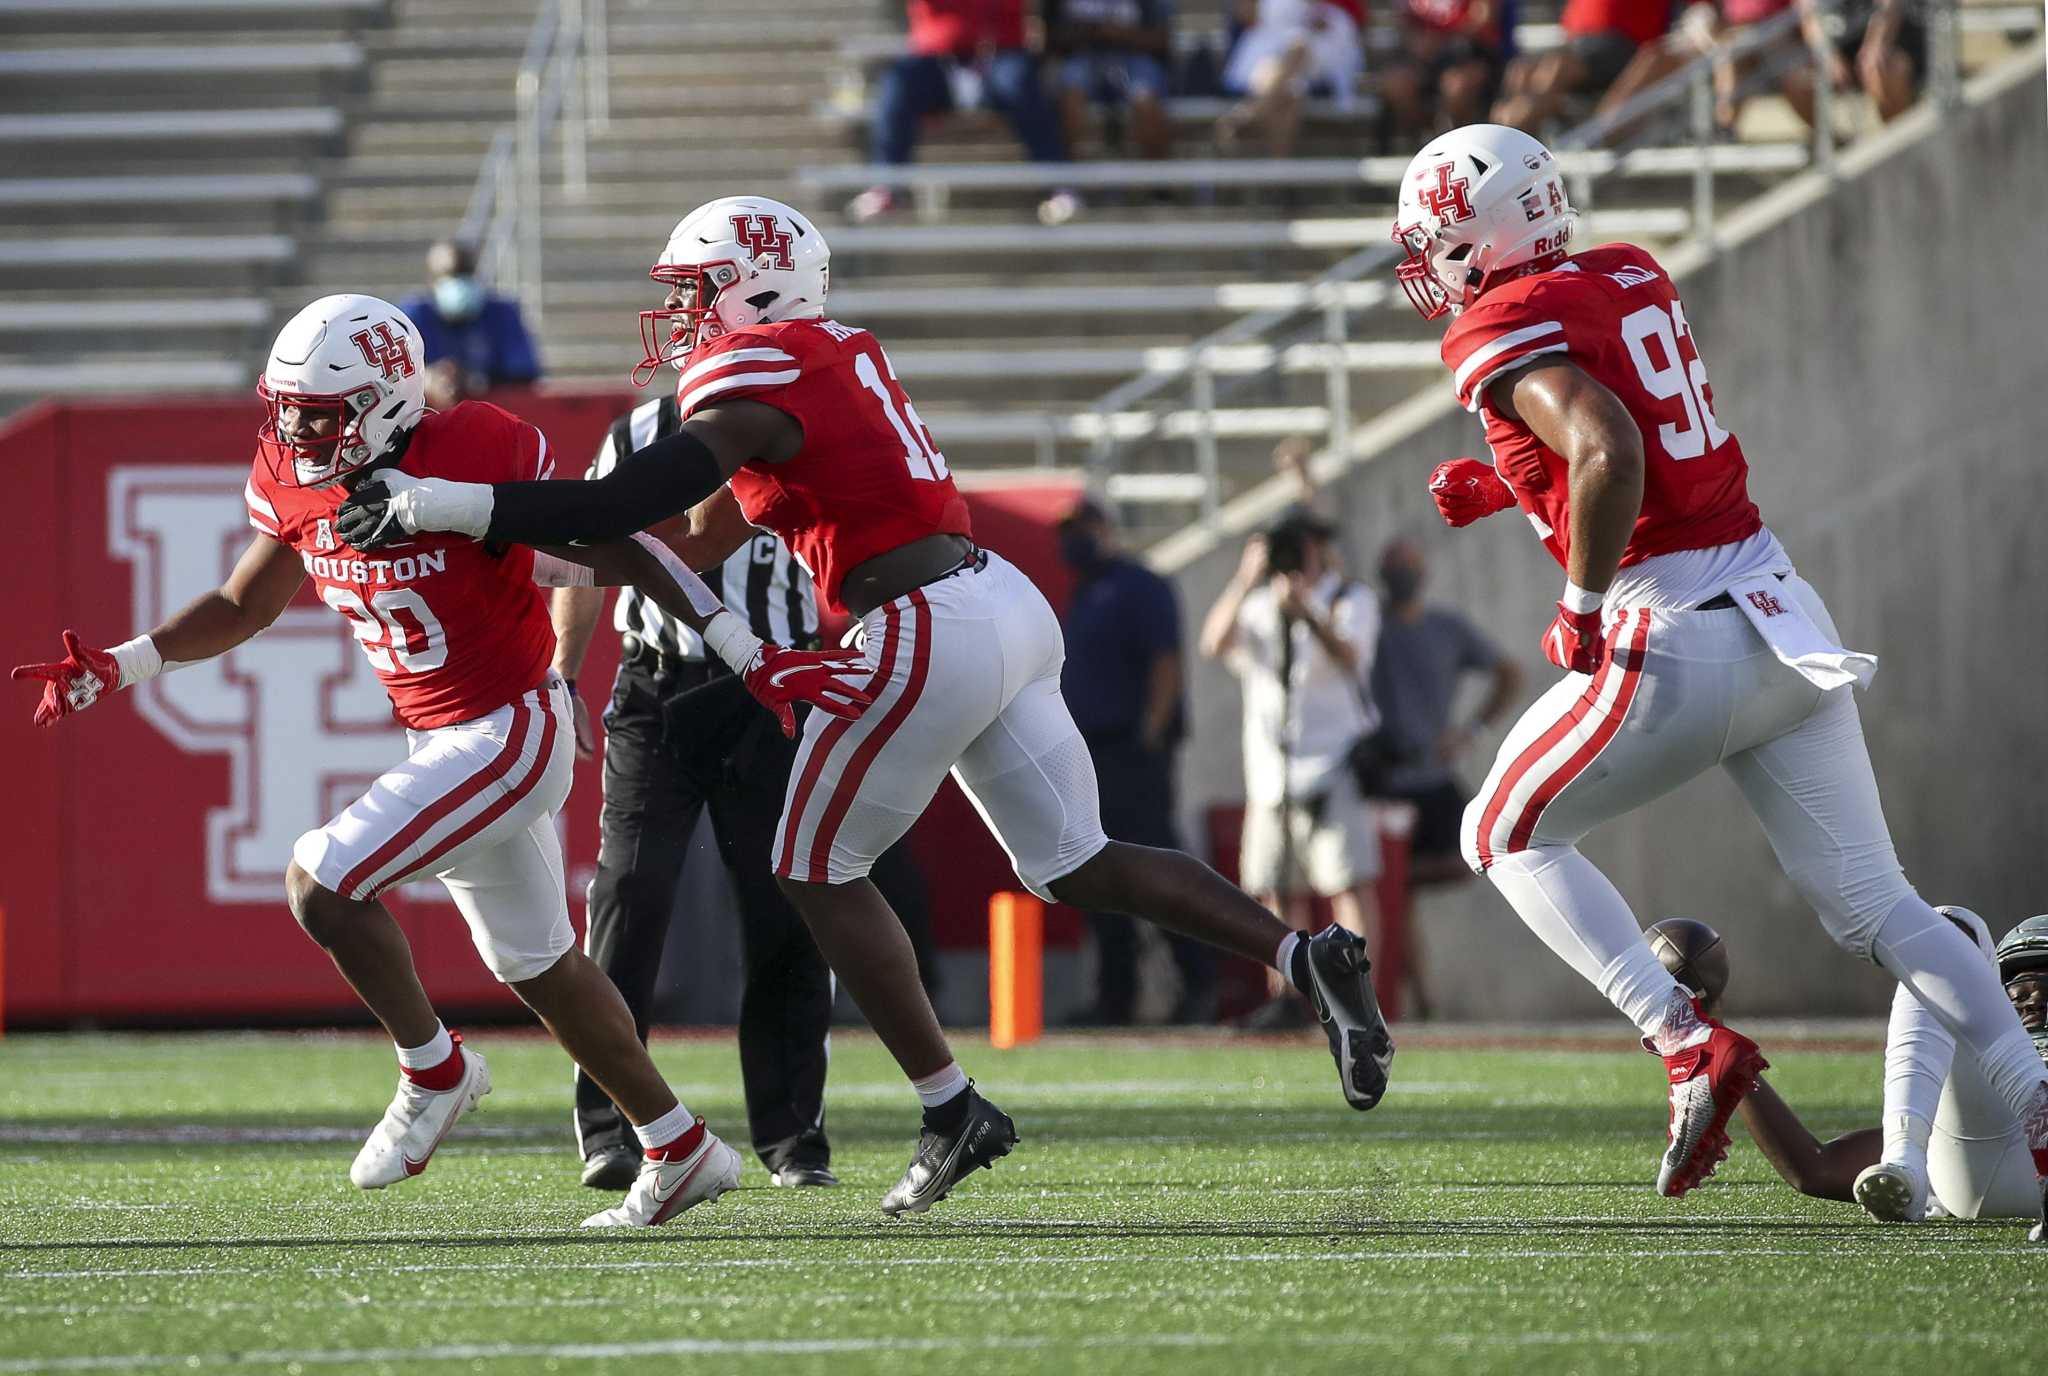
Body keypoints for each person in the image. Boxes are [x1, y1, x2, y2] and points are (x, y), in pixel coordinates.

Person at [331, 194, 1397, 1217]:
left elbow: (619, 502)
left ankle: (949, 1107)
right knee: (1072, 857)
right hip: (995, 602)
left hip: (917, 616)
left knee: (809, 868)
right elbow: (673, 541)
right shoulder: (826, 356)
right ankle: (1300, 955)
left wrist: (436, 500)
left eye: (700, 291)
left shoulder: (760, 372)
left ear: (754, 292)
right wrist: (528, 559)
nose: (684, 314)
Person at [11, 294, 874, 1229]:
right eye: (287, 406)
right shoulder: (292, 472)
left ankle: (435, 1068)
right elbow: (242, 603)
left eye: (319, 409)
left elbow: (619, 552)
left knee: (321, 882)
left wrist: (741, 645)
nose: (296, 426)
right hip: (442, 735)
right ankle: (679, 1146)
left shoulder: (471, 447)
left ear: (385, 399)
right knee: (543, 967)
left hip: (510, 726)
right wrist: (126, 663)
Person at [1393, 122, 2048, 1221]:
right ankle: (2036, 1093)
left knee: (1498, 832)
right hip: (1780, 616)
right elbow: (1651, 435)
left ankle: (1684, 1041)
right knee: (1882, 906)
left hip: (1674, 632)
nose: (1433, 265)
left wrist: (1577, 603)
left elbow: (1606, 448)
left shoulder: (1493, 322)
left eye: (1440, 241)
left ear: (1481, 236)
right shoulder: (1626, 269)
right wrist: (1512, 483)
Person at [551, 393, 841, 1192]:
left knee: (789, 903)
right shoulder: (637, 433)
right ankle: (615, 1128)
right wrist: (566, 673)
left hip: (773, 687)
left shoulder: (798, 422)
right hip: (659, 688)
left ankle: (793, 1135)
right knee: (629, 895)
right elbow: (582, 557)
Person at [1649, 913, 2048, 1223]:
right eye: (2019, 992)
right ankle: (1904, 1159)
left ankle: (1905, 1160)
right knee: (1946, 930)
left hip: (1988, 1174)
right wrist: (1710, 1039)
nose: (2032, 1002)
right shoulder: (1961, 1123)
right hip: (1983, 1164)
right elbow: (1817, 1168)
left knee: (1948, 930)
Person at [1199, 508, 1384, 1029]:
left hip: (1335, 766)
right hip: (1270, 775)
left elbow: (1350, 656)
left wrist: (1306, 613)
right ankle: (1290, 1003)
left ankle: (1359, 1002)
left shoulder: (1351, 600)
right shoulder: (1257, 605)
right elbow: (1212, 644)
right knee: (1277, 891)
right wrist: (1244, 579)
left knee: (1346, 884)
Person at [1056, 498, 1215, 1025]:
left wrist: (1150, 733)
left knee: (1154, 861)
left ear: (1104, 528)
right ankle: (1115, 997)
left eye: (1081, 529)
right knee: (1098, 872)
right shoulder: (1083, 591)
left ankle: (1198, 985)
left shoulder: (1139, 585)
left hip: (1132, 750)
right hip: (1092, 753)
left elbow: (1165, 661)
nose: (1072, 540)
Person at [1370, 537, 1521, 1014]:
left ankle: (1400, 879)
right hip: (1386, 780)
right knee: (1396, 903)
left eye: (1409, 563)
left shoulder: (1445, 628)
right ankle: (1423, 1001)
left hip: (1433, 778)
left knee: (1475, 857)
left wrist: (1472, 730)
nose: (1403, 574)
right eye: (1395, 566)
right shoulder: (1369, 627)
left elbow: (1509, 673)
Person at [848, 0, 1079, 227]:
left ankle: (1057, 185)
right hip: (936, 55)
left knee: (1022, 85)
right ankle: (888, 187)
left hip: (1000, 53)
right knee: (897, 84)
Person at [397, 240, 542, 409]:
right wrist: (427, 379)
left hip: (495, 415)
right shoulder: (414, 315)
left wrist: (476, 379)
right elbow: (394, 375)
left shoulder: (501, 313)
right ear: (432, 280)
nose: (459, 283)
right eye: (449, 275)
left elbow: (525, 372)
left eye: (466, 274)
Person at [1490, 0, 1670, 134]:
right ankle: (1509, 127)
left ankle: (1511, 130)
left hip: (1621, 44)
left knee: (1558, 69)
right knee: (1521, 70)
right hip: (1580, 42)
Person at [1216, 0, 1367, 159]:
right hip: (1270, 63)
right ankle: (1277, 171)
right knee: (1291, 95)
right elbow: (1246, 15)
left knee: (1297, 49)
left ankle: (1249, 113)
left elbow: (1351, 24)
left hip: (1318, 58)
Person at [1045, 0, 1176, 161]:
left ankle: (1158, 182)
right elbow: (1051, 37)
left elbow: (1163, 39)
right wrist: (1091, 31)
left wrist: (1121, 33)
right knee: (1068, 94)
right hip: (1081, 56)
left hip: (1134, 57)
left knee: (1146, 102)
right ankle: (1064, 178)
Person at [1380, 0, 1510, 139]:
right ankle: (1424, 137)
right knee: (1396, 83)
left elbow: (1483, 20)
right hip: (1423, 59)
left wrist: (1444, 41)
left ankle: (1460, 138)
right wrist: (1418, 43)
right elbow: (1404, 23)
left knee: (1458, 85)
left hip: (1467, 54)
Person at [1782, 0, 1924, 127]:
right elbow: (1809, 19)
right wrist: (1829, 57)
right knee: (1796, 82)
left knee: (1884, 69)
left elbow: (1890, 7)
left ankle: (1896, 142)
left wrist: (1875, 45)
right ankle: (1839, 148)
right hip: (1839, 52)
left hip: (1888, 43)